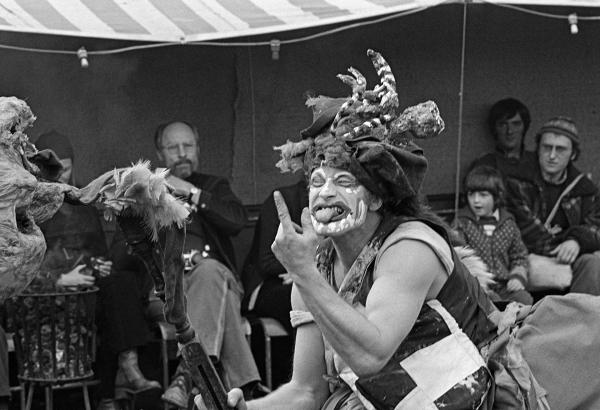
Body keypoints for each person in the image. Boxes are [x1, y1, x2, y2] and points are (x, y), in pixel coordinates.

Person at [196, 49, 506, 409]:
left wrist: (303, 273)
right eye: (316, 181)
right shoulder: (318, 269)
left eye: (343, 180)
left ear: (376, 198)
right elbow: (307, 392)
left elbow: (370, 357)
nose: (325, 193)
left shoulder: (409, 248)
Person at [33, 131, 161, 410]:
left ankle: (123, 376)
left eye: (66, 168)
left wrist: (99, 264)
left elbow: (96, 252)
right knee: (112, 296)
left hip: (89, 289)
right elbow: (20, 269)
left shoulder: (83, 206)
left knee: (119, 282)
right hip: (45, 299)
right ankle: (113, 387)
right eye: (54, 170)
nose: (62, 176)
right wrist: (60, 279)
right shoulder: (27, 211)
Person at [154, 121, 261, 408]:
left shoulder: (214, 186)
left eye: (188, 145)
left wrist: (192, 192)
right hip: (168, 292)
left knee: (210, 272)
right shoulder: (148, 191)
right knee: (219, 300)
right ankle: (246, 387)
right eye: (173, 148)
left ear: (198, 148)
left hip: (215, 278)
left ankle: (186, 376)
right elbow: (125, 252)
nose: (182, 153)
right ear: (160, 153)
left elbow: (237, 221)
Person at [505, 116, 600, 295]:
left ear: (573, 154)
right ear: (538, 149)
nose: (552, 155)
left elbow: (596, 225)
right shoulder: (517, 181)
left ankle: (583, 319)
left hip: (569, 261)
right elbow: (524, 230)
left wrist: (577, 240)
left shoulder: (584, 188)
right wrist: (563, 247)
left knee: (593, 263)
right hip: (525, 260)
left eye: (561, 149)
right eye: (547, 148)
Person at [453, 166, 532, 305]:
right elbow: (460, 257)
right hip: (478, 287)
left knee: (523, 299)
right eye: (471, 194)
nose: (476, 200)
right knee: (493, 303)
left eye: (483, 195)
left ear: (496, 197)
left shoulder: (508, 222)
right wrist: (477, 283)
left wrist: (517, 276)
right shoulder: (462, 223)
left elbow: (519, 255)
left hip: (504, 285)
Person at [469, 97, 537, 179]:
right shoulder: (484, 164)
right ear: (494, 128)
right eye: (503, 125)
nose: (510, 131)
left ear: (524, 127)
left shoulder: (539, 162)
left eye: (516, 124)